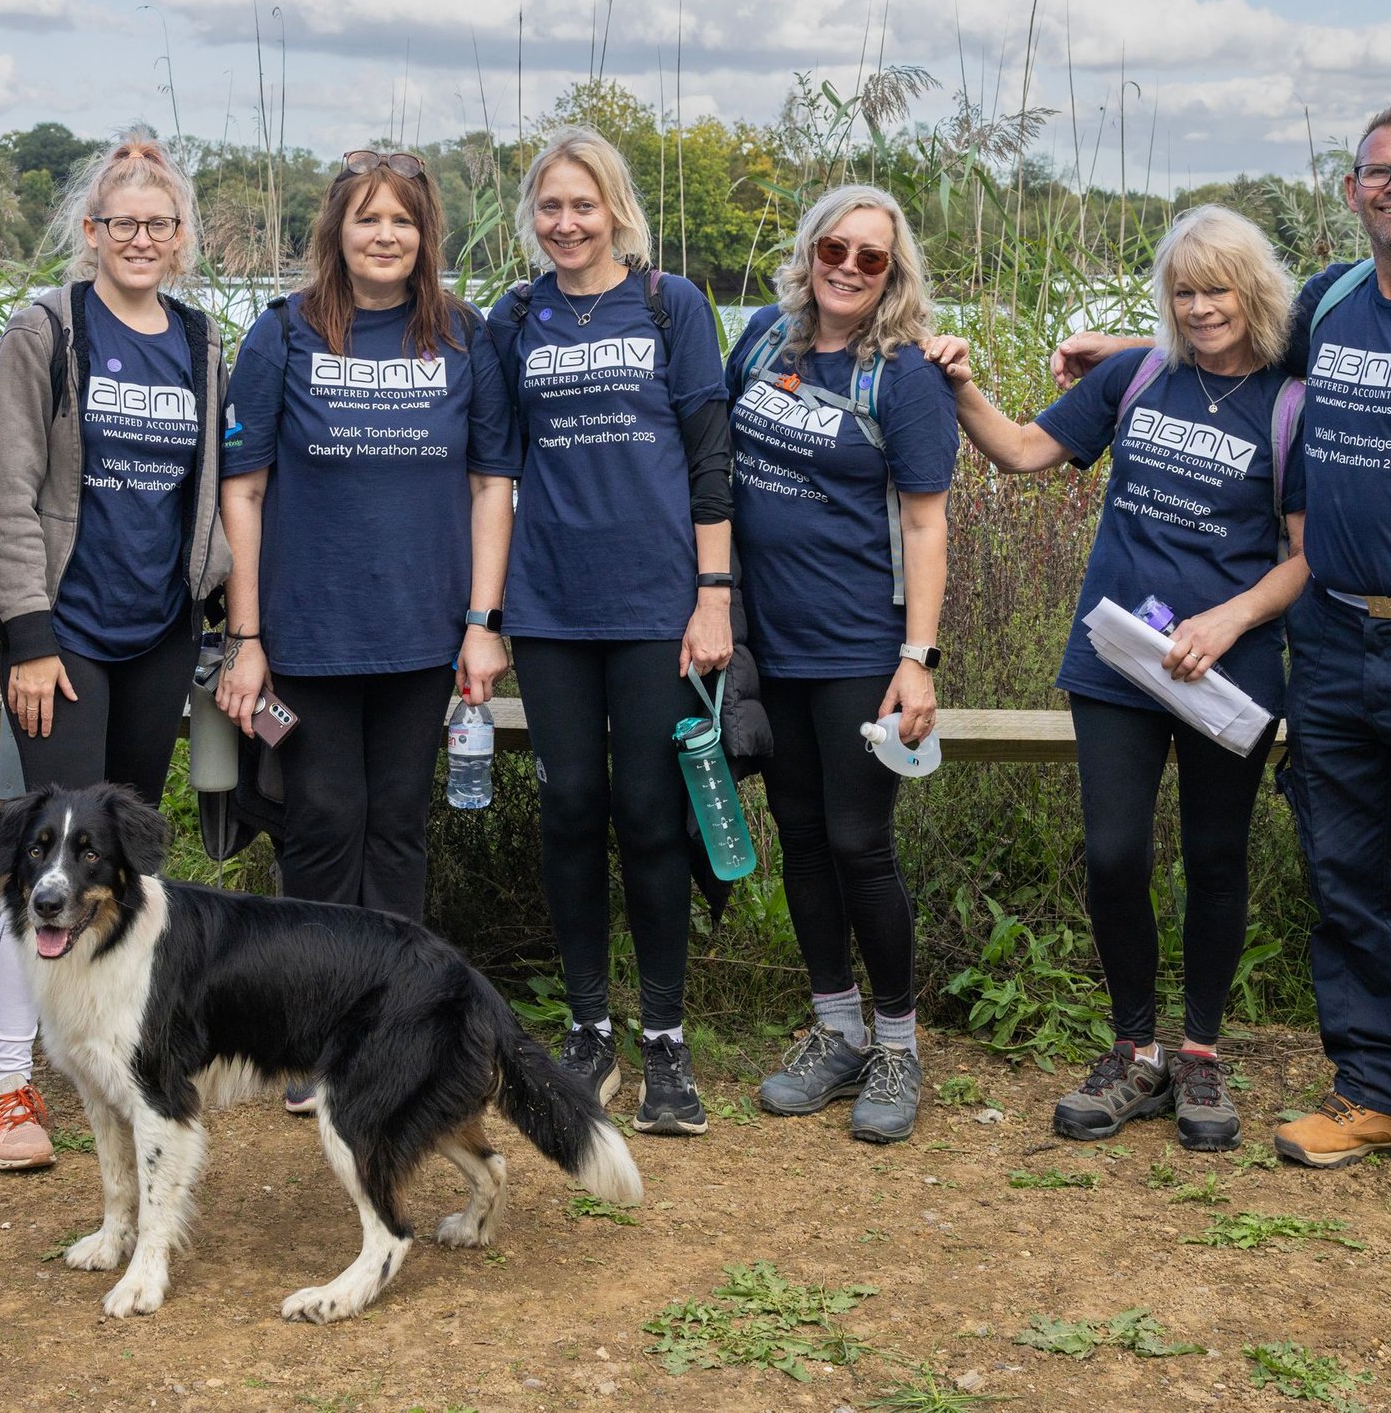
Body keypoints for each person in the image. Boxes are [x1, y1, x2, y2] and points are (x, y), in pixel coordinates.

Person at [1049, 102, 1391, 1206]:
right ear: (1351, 192)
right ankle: (1374, 1091)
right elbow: (1217, 343)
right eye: (1377, 172)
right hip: (1331, 640)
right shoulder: (1330, 304)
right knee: (1349, 879)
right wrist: (1121, 353)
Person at [933, 205, 1309, 1153]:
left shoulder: (1294, 400)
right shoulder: (1142, 376)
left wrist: (1228, 620)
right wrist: (962, 387)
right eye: (1183, 291)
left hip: (1232, 670)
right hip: (1119, 663)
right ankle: (1135, 1050)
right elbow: (1023, 451)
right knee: (1114, 856)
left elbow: (1310, 558)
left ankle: (1202, 1055)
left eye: (1218, 289)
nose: (1200, 307)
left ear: (1253, 292)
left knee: (1217, 859)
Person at [215, 148, 516, 1115]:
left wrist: (481, 622)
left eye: (402, 221)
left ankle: (391, 1031)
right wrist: (247, 637)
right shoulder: (284, 335)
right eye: (366, 220)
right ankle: (312, 1032)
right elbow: (244, 490)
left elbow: (488, 487)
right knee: (319, 826)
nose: (384, 236)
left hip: (426, 636)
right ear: (335, 232)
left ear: (425, 235)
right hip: (308, 633)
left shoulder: (464, 336)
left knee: (396, 830)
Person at [0, 135, 229, 1166]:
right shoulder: (47, 330)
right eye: (122, 223)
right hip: (63, 638)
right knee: (42, 855)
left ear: (180, 240)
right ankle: (4, 1084)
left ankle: (115, 1043)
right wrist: (26, 634)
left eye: (159, 225)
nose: (141, 240)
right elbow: (8, 491)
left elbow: (207, 492)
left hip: (159, 631)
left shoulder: (202, 341)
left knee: (111, 858)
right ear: (92, 233)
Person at [488, 127, 733, 1137]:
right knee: (569, 809)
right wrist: (486, 617)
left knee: (648, 813)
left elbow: (707, 453)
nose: (566, 222)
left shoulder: (670, 304)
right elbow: (496, 474)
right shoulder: (513, 317)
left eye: (583, 205)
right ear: (531, 217)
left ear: (615, 209)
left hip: (655, 604)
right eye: (549, 206)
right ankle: (590, 1030)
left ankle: (667, 1042)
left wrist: (712, 594)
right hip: (549, 607)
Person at [727, 187, 954, 1146]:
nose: (850, 268)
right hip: (765, 646)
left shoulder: (901, 376)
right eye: (836, 248)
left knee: (860, 845)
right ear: (809, 251)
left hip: (860, 645)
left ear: (894, 273)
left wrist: (918, 659)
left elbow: (925, 519)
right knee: (802, 840)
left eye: (872, 258)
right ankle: (835, 1031)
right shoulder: (760, 344)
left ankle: (897, 1044)